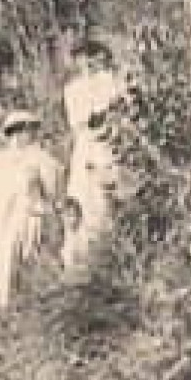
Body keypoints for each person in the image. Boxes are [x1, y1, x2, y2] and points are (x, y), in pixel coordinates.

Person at [0, 109, 63, 315]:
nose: (22, 135)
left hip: (26, 216)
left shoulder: (40, 158)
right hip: (7, 217)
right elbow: (2, 192)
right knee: (3, 255)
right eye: (17, 131)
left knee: (19, 256)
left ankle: (20, 305)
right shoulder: (1, 159)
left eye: (26, 130)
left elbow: (52, 191)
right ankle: (1, 305)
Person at [63, 35, 126, 271]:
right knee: (85, 197)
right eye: (80, 58)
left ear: (97, 57)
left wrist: (109, 117)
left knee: (110, 193)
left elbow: (121, 106)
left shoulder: (109, 80)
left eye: (90, 56)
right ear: (76, 62)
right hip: (87, 146)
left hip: (111, 141)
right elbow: (77, 122)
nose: (86, 62)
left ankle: (114, 249)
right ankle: (85, 257)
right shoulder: (72, 89)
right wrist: (95, 117)